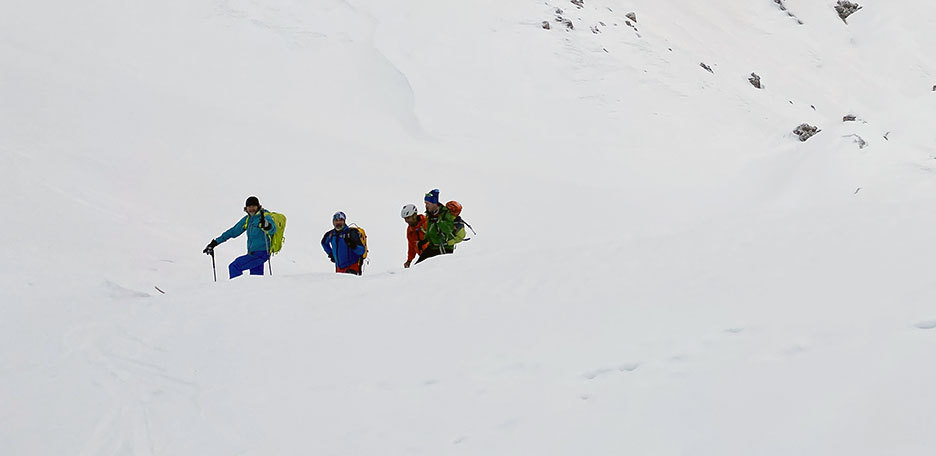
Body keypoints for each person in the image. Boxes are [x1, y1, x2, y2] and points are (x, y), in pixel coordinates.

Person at [203, 196, 277, 279]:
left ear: (258, 206)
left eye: (254, 206)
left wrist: (267, 225)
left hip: (261, 254)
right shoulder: (248, 220)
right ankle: (255, 291)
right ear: (246, 208)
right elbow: (233, 231)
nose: (251, 209)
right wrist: (215, 243)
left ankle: (236, 290)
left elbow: (273, 229)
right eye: (249, 207)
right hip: (252, 254)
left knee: (235, 266)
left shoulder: (265, 216)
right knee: (256, 280)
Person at [415, 189, 456, 264]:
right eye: (425, 203)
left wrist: (438, 221)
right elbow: (430, 231)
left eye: (428, 203)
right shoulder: (430, 214)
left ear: (434, 203)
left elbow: (449, 229)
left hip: (444, 248)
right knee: (418, 266)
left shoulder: (445, 213)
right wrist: (424, 241)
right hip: (432, 247)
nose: (426, 206)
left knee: (435, 271)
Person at [401, 203, 427, 268]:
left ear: (414, 215)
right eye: (405, 219)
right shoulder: (410, 230)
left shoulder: (426, 223)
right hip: (422, 257)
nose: (406, 221)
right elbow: (411, 246)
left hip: (433, 253)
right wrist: (409, 260)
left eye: (408, 218)